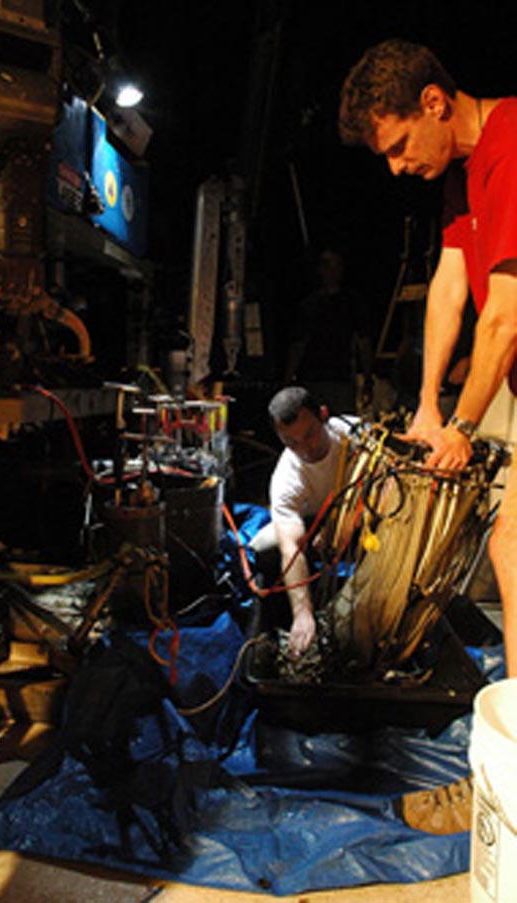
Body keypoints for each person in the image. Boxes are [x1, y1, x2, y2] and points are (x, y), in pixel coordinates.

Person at [338, 36, 517, 835]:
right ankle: (503, 774)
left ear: (435, 103)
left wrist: (466, 425)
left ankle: (505, 782)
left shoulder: (512, 146)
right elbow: (452, 287)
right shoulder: (462, 177)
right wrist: (426, 404)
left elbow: (507, 315)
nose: (396, 166)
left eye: (401, 144)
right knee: (512, 548)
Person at [250, 385, 354, 657]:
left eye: (309, 435)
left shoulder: (355, 436)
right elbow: (291, 548)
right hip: (312, 522)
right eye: (291, 443)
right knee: (263, 548)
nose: (305, 449)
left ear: (323, 415)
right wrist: (302, 613)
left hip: (363, 515)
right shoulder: (286, 477)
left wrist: (346, 523)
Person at [285, 248, 373, 415]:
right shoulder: (309, 305)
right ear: (320, 270)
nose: (332, 271)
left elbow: (364, 342)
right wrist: (288, 380)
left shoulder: (352, 303)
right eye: (327, 265)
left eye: (336, 265)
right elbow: (298, 345)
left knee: (341, 429)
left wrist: (368, 378)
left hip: (341, 379)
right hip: (313, 380)